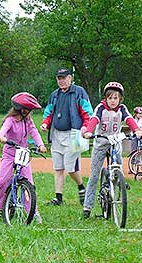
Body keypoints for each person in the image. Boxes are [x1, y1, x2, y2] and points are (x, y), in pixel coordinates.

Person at [82, 82, 142, 218]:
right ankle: (87, 207)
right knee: (94, 175)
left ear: (120, 99)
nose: (113, 101)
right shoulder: (100, 108)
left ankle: (118, 188)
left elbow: (129, 119)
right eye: (110, 98)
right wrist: (88, 131)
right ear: (106, 98)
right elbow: (94, 119)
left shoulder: (122, 109)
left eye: (115, 98)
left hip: (116, 141)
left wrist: (137, 130)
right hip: (101, 142)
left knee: (118, 170)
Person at [0, 92, 47, 223]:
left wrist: (41, 144)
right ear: (18, 108)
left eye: (29, 110)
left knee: (29, 183)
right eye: (25, 109)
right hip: (9, 153)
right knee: (2, 181)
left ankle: (33, 211)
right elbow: (3, 131)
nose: (27, 112)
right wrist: (2, 137)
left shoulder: (28, 121)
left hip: (23, 154)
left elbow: (34, 132)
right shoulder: (10, 120)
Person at [40, 68, 93, 206]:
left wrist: (86, 126)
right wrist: (45, 123)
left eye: (64, 78)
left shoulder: (79, 92)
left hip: (73, 134)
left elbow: (87, 111)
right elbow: (49, 111)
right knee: (58, 168)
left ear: (70, 78)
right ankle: (58, 197)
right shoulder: (55, 95)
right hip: (57, 134)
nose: (62, 81)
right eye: (59, 78)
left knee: (70, 168)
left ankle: (81, 187)